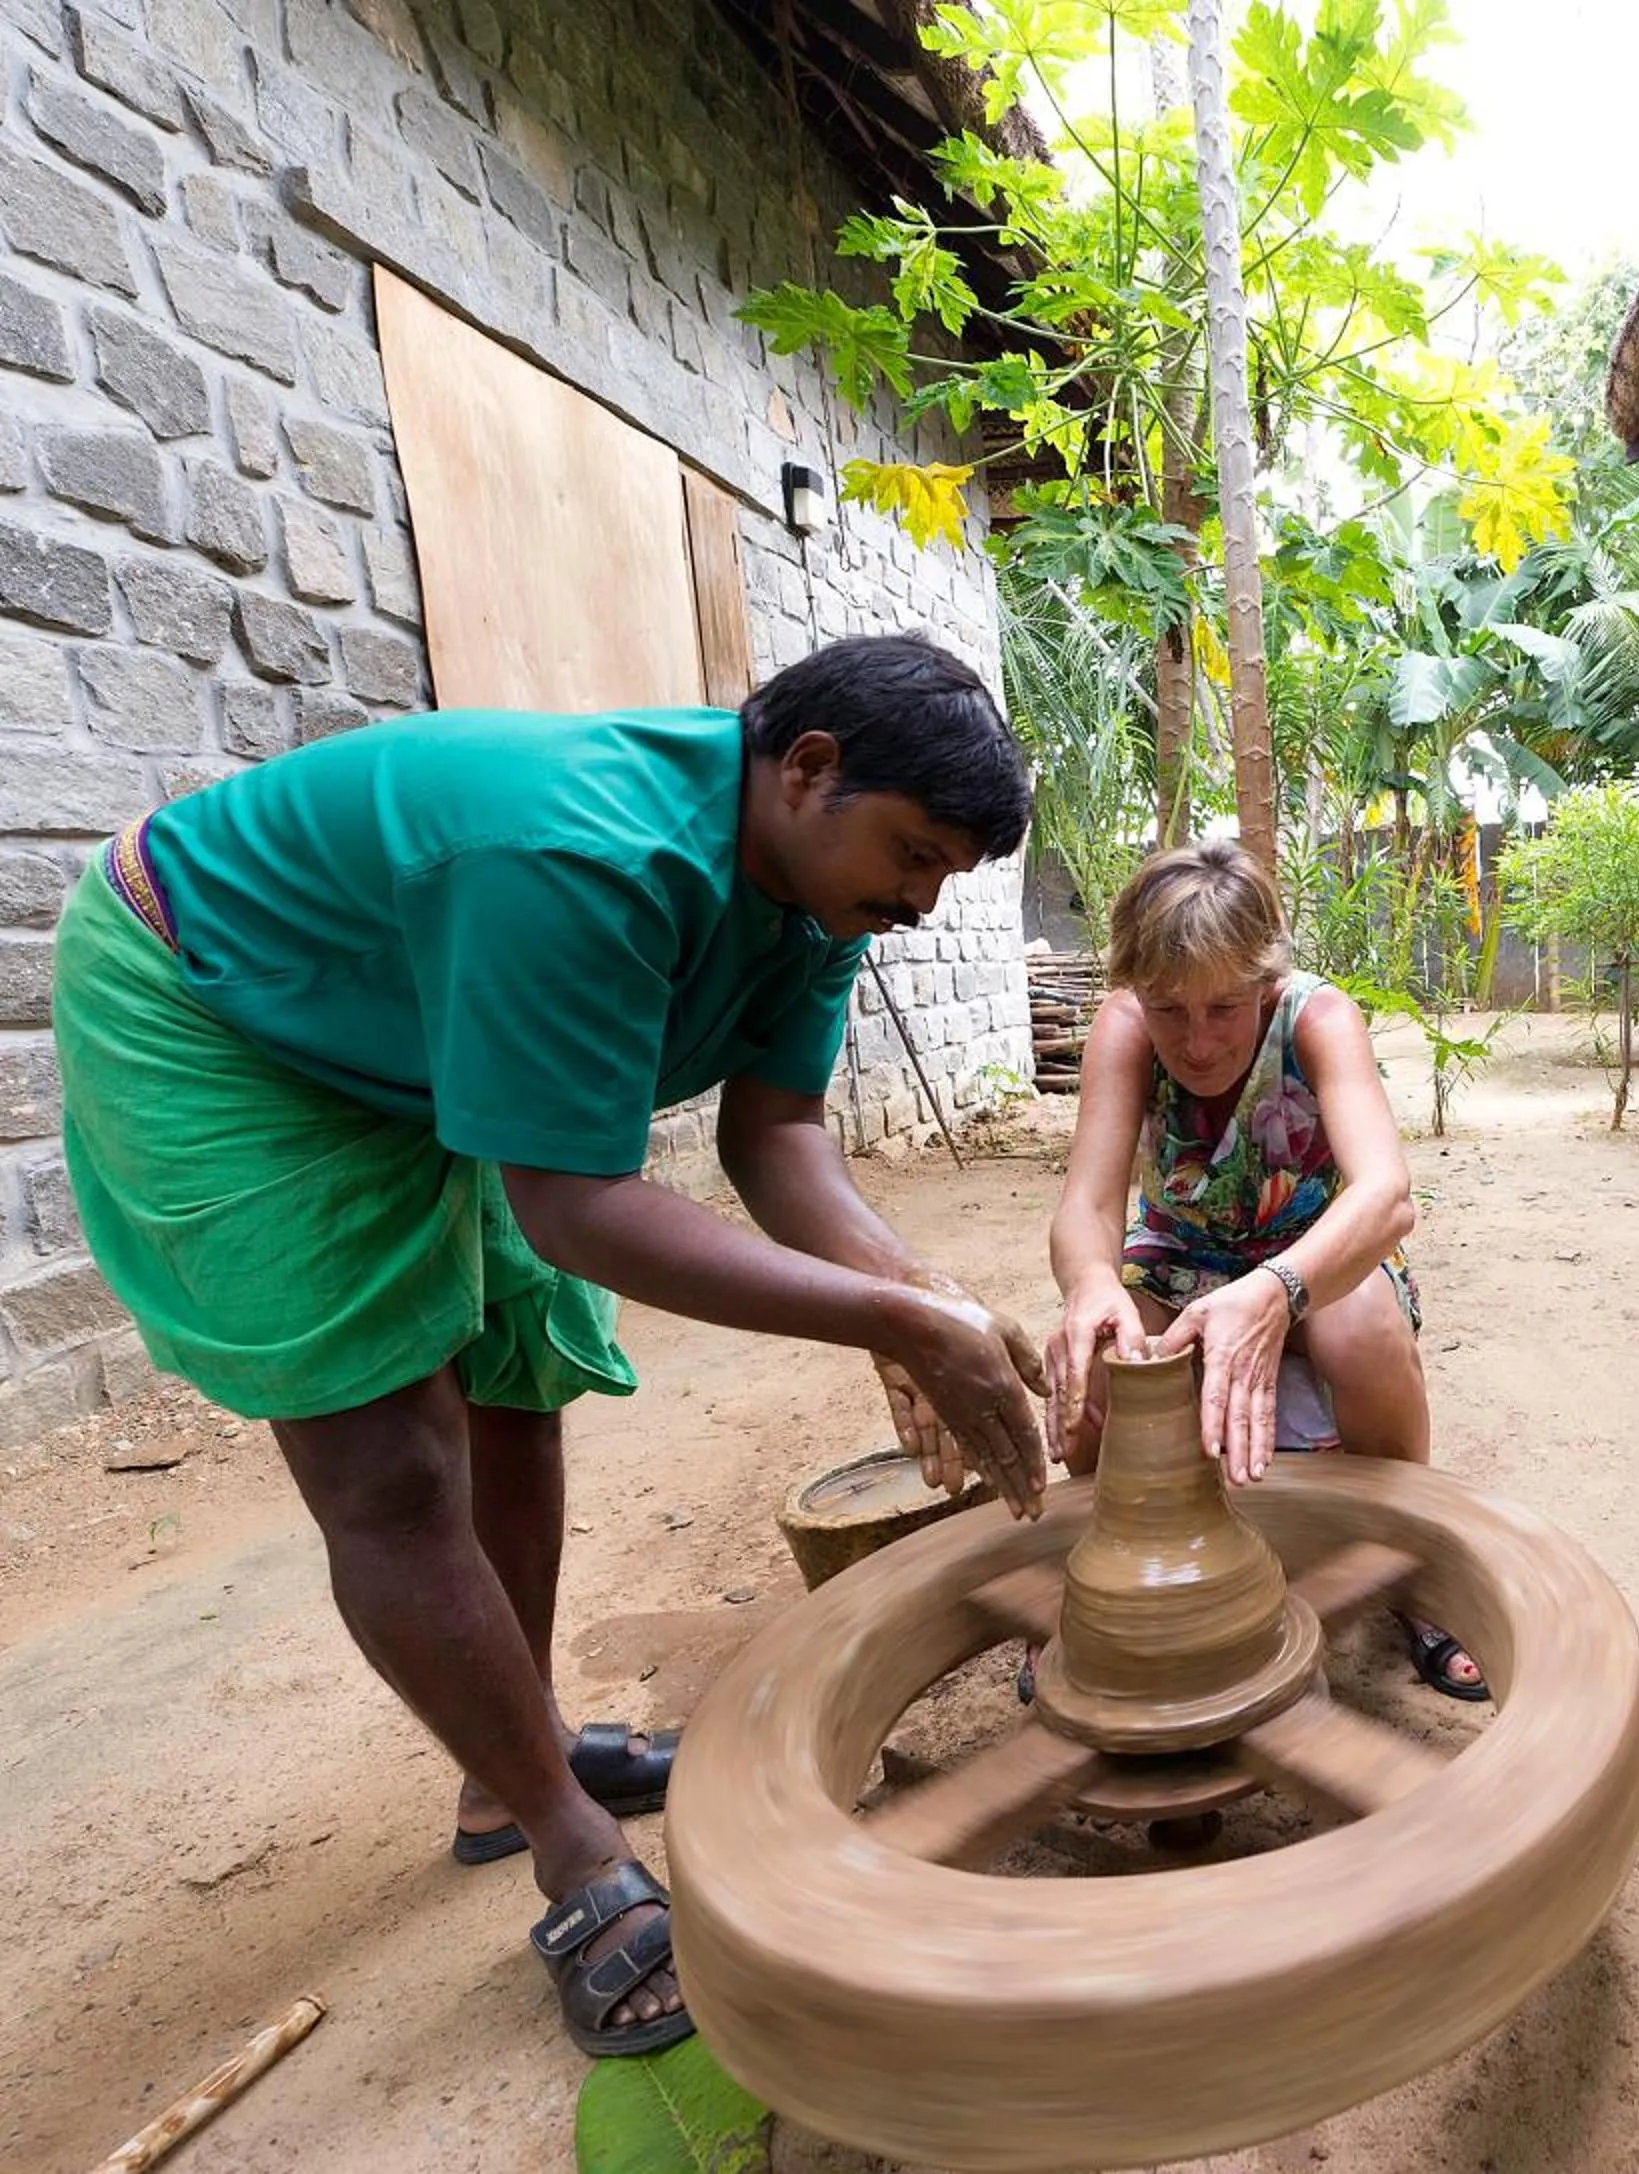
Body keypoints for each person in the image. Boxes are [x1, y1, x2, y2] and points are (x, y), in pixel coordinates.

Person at [51, 634, 1052, 2059]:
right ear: (808, 770)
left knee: (524, 1378)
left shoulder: (825, 901)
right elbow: (576, 1206)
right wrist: (889, 1318)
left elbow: (775, 1135)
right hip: (219, 1004)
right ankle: (570, 1852)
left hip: (412, 1030)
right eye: (915, 852)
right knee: (391, 1462)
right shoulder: (580, 850)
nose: (919, 898)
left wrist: (921, 1287)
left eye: (948, 870)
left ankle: (495, 1767)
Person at [1044, 841, 1482, 1698]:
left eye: (1224, 1008)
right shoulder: (1123, 1026)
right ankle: (1108, 1588)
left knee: (1359, 1327)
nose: (1197, 1041)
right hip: (1181, 1255)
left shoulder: (1317, 1017)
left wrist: (1279, 1288)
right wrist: (1090, 1284)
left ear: (1266, 985)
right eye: (1171, 1010)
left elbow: (1386, 1195)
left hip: (1317, 1250)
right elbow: (1088, 1206)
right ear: (1138, 992)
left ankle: (1413, 1570)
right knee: (1108, 1359)